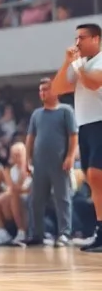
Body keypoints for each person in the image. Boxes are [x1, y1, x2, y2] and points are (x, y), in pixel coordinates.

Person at [50, 22, 102, 251]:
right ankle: (100, 230)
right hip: (86, 125)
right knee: (94, 180)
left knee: (95, 174)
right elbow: (58, 88)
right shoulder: (78, 62)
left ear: (96, 39)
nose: (77, 42)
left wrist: (78, 67)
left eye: (82, 37)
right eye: (76, 37)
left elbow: (92, 83)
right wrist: (66, 63)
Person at [26, 77, 78, 246]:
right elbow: (30, 138)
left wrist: (70, 156)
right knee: (36, 200)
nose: (43, 93)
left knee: (62, 198)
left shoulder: (65, 111)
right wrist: (27, 159)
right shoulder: (37, 114)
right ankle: (37, 234)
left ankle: (64, 233)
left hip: (59, 162)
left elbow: (73, 135)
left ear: (55, 91)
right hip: (39, 164)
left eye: (46, 89)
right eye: (40, 90)